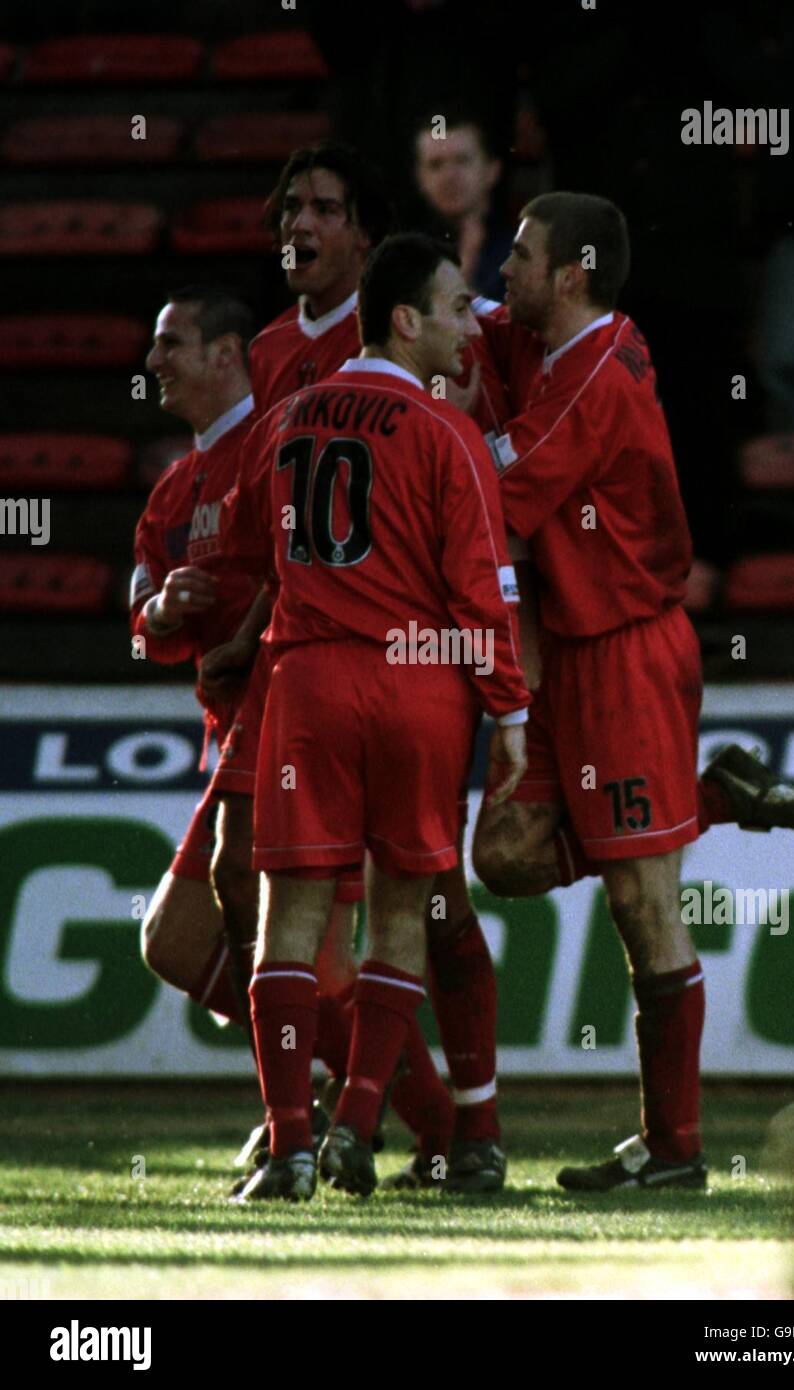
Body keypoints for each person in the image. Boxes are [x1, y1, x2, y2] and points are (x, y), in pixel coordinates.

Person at [471, 193, 794, 1193]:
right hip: (561, 648)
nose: (507, 269)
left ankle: (673, 1150)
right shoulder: (544, 336)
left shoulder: (595, 371)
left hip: (625, 648)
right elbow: (468, 324)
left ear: (574, 272)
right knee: (501, 854)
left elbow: (496, 486)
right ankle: (713, 796)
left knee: (642, 902)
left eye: (522, 255)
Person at [226, 233, 530, 1202]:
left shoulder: (283, 419)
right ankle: (358, 1121)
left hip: (308, 682)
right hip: (417, 687)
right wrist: (510, 713)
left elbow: (244, 548)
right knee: (404, 910)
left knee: (290, 921)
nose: (468, 326)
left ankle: (289, 1148)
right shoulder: (446, 432)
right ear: (403, 320)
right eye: (452, 309)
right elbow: (480, 591)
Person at [130, 285, 260, 1032]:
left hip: (299, 725)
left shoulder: (278, 447)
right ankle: (346, 1082)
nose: (153, 360)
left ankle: (402, 1108)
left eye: (170, 343)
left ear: (225, 355)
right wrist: (164, 612)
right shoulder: (172, 494)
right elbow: (144, 636)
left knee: (289, 940)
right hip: (233, 736)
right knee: (175, 943)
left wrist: (245, 644)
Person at [412, 108, 513, 301]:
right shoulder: (405, 258)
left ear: (492, 169)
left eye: (462, 161)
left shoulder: (525, 253)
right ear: (420, 178)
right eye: (436, 164)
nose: (449, 176)